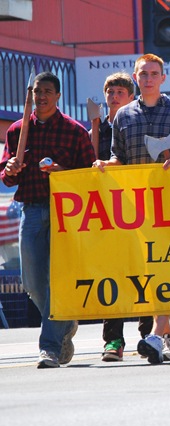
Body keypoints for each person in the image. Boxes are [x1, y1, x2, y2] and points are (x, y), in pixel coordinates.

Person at [93, 54, 170, 364]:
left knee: (163, 268)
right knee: (141, 271)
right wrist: (107, 165)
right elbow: (119, 157)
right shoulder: (123, 116)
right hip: (134, 208)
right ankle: (165, 335)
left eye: (154, 74)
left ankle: (154, 333)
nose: (149, 79)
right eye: (144, 74)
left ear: (163, 78)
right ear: (136, 77)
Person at [1, 71, 95, 368]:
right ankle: (64, 321)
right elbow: (7, 177)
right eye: (36, 92)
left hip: (64, 213)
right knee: (31, 281)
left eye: (46, 92)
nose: (40, 97)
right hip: (30, 209)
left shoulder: (74, 131)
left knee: (57, 280)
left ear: (58, 96)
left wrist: (61, 172)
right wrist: (10, 169)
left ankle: (49, 348)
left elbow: (88, 176)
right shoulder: (17, 130)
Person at [90, 71, 154, 362]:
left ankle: (148, 335)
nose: (114, 97)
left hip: (142, 210)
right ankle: (113, 340)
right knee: (112, 276)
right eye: (110, 93)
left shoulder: (137, 124)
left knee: (145, 273)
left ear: (131, 97)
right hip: (107, 214)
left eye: (120, 93)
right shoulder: (95, 131)